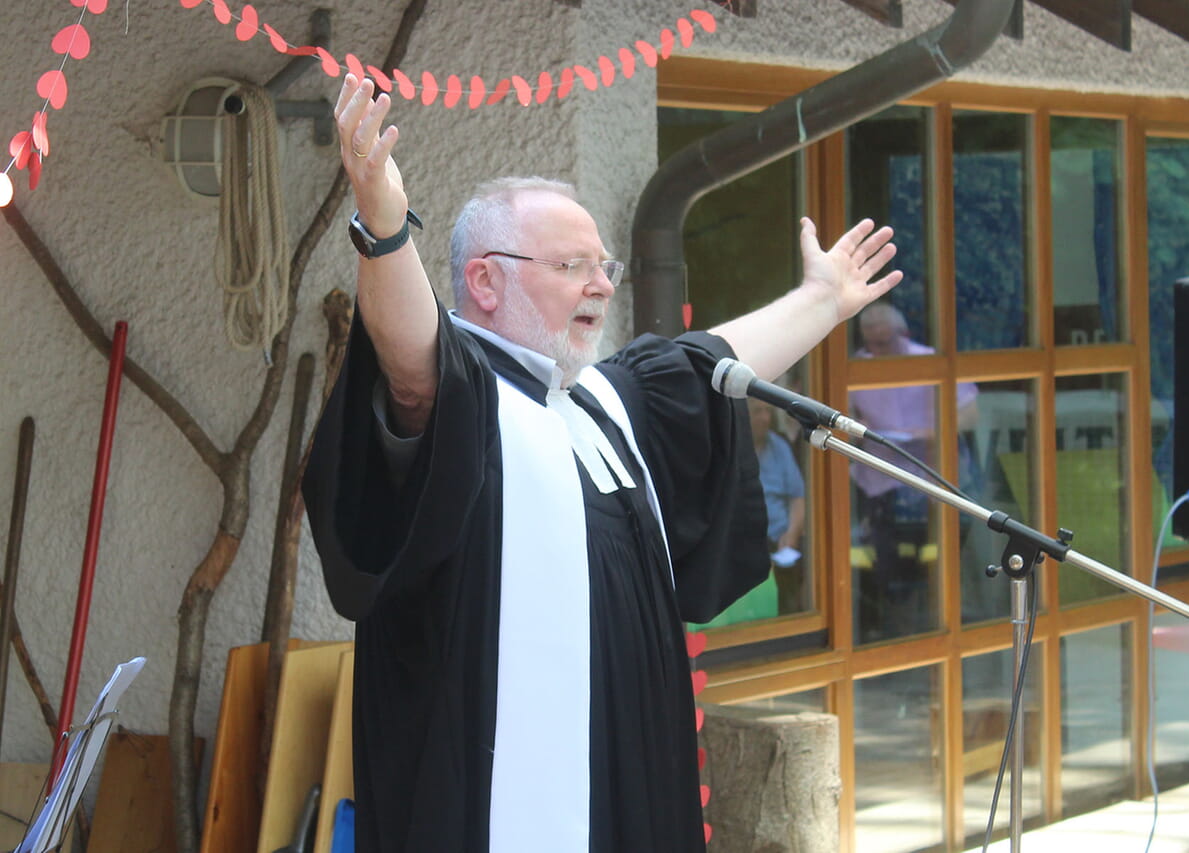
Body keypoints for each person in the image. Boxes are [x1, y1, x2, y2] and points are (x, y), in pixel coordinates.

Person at [302, 74, 903, 853]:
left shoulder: (602, 404)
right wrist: (384, 230)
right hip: (495, 797)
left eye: (605, 266)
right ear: (485, 280)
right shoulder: (466, 400)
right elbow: (414, 363)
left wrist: (823, 299)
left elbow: (713, 362)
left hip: (630, 774)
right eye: (571, 266)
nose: (600, 284)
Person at [849, 302, 977, 639]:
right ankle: (895, 628)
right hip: (880, 480)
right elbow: (839, 412)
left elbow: (969, 413)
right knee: (886, 562)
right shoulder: (857, 368)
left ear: (902, 335)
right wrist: (854, 425)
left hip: (930, 475)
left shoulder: (929, 359)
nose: (877, 351)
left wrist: (934, 431)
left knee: (938, 558)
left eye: (884, 343)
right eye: (870, 344)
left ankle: (938, 624)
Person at [749, 397, 807, 614]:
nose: (764, 418)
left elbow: (797, 498)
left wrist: (792, 536)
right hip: (744, 544)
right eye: (757, 412)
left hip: (779, 542)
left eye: (767, 411)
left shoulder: (779, 447)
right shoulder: (733, 450)